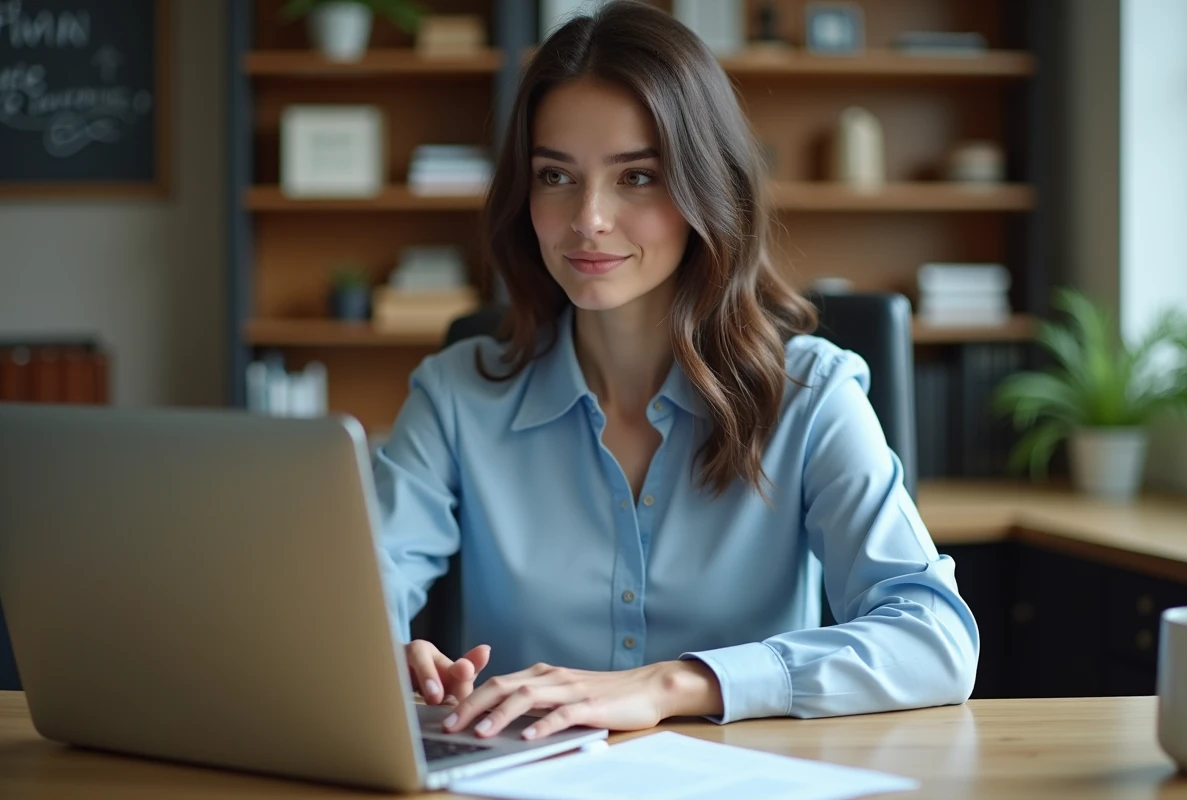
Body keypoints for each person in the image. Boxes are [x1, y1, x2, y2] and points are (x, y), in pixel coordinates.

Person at [372, 0, 978, 744]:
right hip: (522, 780)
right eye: (556, 176)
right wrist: (381, 656)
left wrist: (671, 684)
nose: (588, 218)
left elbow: (936, 639)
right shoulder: (456, 395)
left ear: (705, 190)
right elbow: (358, 595)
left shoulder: (811, 395)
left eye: (637, 178)